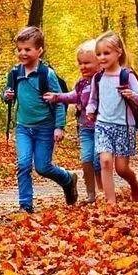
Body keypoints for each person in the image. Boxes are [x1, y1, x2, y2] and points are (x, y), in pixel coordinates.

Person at [1, 26, 79, 213]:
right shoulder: (15, 73)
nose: (22, 53)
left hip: (45, 127)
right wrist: (7, 95)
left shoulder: (47, 74)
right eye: (19, 49)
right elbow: (6, 94)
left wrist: (59, 127)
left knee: (43, 167)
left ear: (39, 50)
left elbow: (59, 101)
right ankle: (25, 205)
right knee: (23, 164)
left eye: (27, 49)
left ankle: (68, 179)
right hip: (23, 127)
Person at [85, 31, 138, 206]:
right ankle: (111, 203)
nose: (102, 57)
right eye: (99, 54)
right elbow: (93, 101)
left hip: (124, 127)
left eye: (106, 53)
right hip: (103, 125)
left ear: (118, 52)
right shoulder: (98, 77)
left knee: (121, 168)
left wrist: (131, 94)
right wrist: (90, 110)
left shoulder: (127, 76)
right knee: (104, 161)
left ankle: (135, 183)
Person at [43, 40, 102, 204]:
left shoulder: (104, 80)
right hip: (85, 128)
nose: (83, 67)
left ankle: (104, 189)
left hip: (103, 128)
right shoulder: (81, 83)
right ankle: (91, 194)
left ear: (99, 62)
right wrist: (57, 97)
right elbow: (73, 96)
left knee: (99, 161)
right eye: (80, 63)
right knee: (86, 160)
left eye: (87, 63)